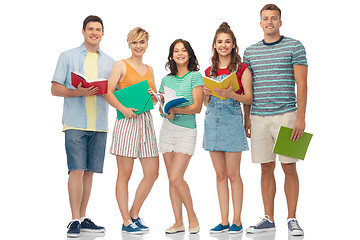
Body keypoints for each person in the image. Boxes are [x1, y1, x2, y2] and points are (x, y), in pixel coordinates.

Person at [243, 4, 308, 236]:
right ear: (260, 23)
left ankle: (292, 218)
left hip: (288, 115)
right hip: (258, 117)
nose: (269, 22)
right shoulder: (249, 52)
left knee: (289, 167)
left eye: (273, 18)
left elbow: (302, 84)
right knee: (265, 168)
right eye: (265, 18)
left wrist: (301, 117)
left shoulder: (295, 46)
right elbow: (247, 88)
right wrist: (246, 117)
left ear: (280, 21)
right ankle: (268, 218)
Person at [51, 15, 115, 238]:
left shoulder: (110, 62)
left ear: (103, 33)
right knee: (76, 169)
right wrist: (78, 91)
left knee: (89, 172)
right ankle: (74, 219)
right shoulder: (67, 56)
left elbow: (113, 93)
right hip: (75, 122)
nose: (94, 33)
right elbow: (55, 89)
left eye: (98, 29)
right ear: (83, 31)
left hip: (99, 124)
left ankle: (84, 216)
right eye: (90, 29)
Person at [104, 27, 159, 235]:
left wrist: (156, 96)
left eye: (142, 42)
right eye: (135, 42)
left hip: (146, 122)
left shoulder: (150, 69)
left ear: (147, 44)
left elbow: (151, 100)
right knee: (124, 174)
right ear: (129, 44)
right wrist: (123, 109)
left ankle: (134, 214)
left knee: (152, 173)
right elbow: (107, 92)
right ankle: (126, 221)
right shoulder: (121, 65)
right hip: (126, 122)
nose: (138, 46)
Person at [203, 22, 253, 234]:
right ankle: (223, 221)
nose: (223, 45)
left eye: (227, 42)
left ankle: (237, 220)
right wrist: (206, 93)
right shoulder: (208, 71)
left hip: (233, 120)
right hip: (212, 120)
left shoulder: (242, 69)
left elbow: (249, 98)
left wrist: (231, 94)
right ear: (214, 45)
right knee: (220, 175)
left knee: (234, 174)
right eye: (220, 42)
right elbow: (206, 104)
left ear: (234, 45)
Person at [158, 39, 203, 234]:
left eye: (183, 50)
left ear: (189, 54)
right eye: (176, 51)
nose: (180, 53)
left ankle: (192, 216)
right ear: (172, 55)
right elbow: (162, 106)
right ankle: (178, 222)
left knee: (177, 177)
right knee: (171, 179)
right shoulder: (166, 80)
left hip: (186, 131)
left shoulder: (195, 77)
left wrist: (176, 108)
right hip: (167, 129)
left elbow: (197, 107)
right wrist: (165, 108)